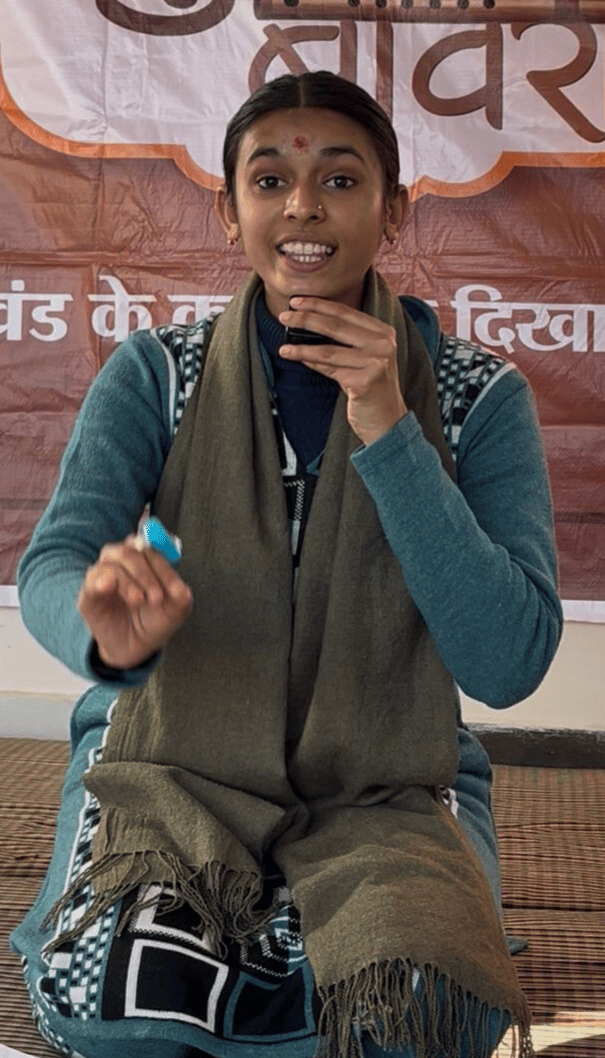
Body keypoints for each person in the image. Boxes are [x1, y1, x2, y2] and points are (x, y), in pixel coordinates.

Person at [11, 71, 562, 1058]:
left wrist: (391, 430)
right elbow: (57, 559)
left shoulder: (479, 395)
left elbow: (508, 659)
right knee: (116, 1007)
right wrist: (98, 622)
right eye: (270, 179)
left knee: (428, 1017)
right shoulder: (155, 373)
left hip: (389, 780)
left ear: (392, 210)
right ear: (230, 211)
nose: (303, 204)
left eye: (340, 180)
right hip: (171, 759)